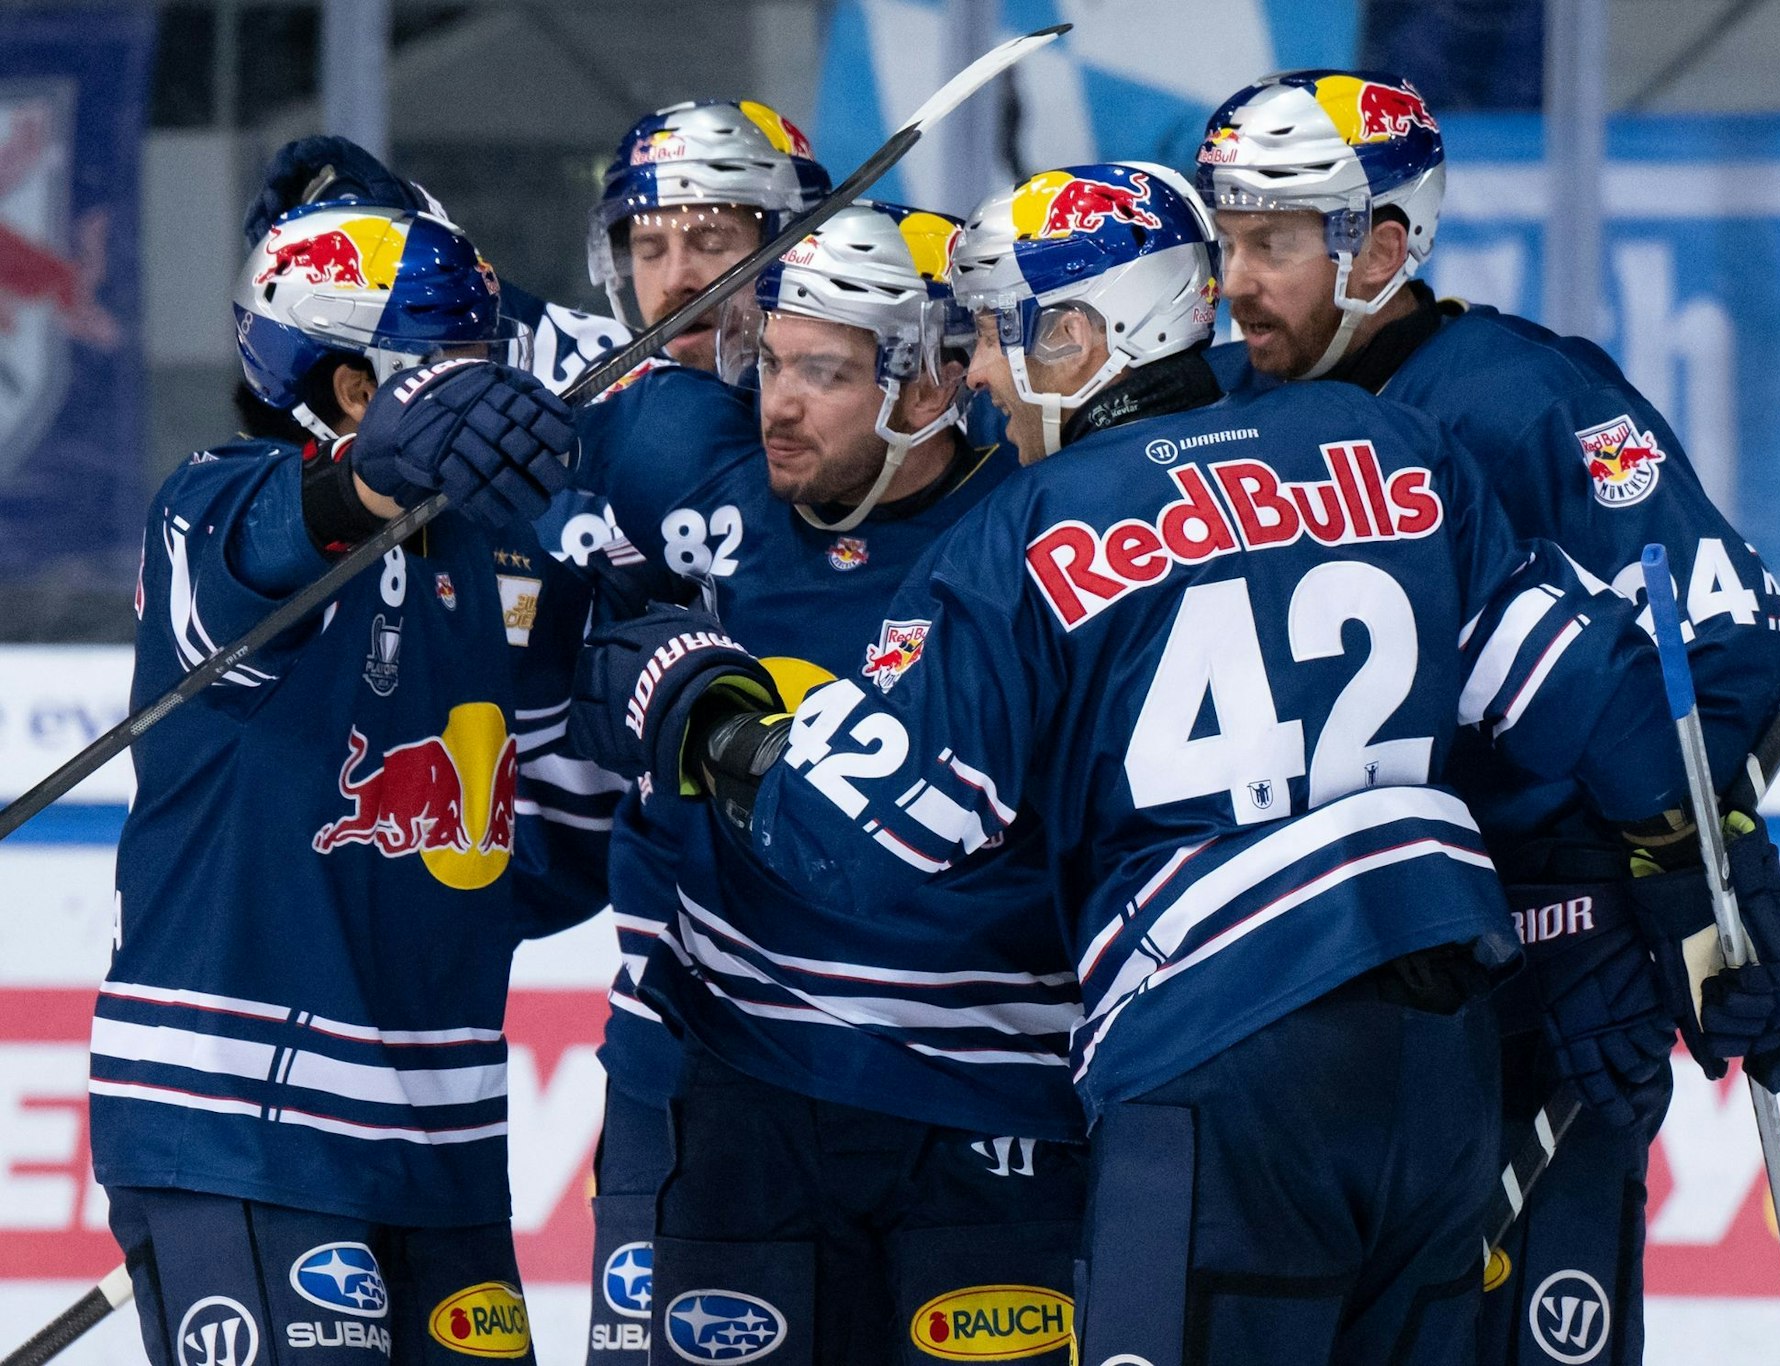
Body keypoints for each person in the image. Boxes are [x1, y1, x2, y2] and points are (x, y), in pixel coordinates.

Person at [568, 158, 1730, 1366]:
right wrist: (1703, 892)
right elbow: (1612, 710)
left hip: (1214, 1050)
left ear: (1079, 337)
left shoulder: (1035, 524)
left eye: (997, 332)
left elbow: (861, 832)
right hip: (1440, 1061)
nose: (977, 373)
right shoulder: (1390, 443)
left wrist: (698, 708)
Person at [1191, 70, 1780, 1366]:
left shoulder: (1528, 401)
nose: (1234, 283)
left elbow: (1717, 653)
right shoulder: (1209, 420)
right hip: (1300, 1016)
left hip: (1533, 1011)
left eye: (1271, 245)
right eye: (1225, 244)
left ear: (1379, 247)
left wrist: (1620, 907)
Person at [548, 198, 1087, 1366]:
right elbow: (515, 427)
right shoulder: (689, 470)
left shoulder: (1044, 530)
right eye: (770, 359)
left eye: (823, 373)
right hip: (745, 1088)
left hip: (986, 1099)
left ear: (931, 386)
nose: (774, 404)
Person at [97, 202, 589, 1365]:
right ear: (350, 387)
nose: (488, 392)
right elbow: (270, 543)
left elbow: (542, 851)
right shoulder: (214, 500)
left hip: (441, 1139)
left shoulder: (497, 561)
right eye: (447, 368)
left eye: (486, 361)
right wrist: (372, 476)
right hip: (240, 1119)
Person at [586, 99, 831, 373]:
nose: (675, 281)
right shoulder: (606, 397)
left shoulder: (861, 393)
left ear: (794, 254)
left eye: (711, 245)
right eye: (650, 252)